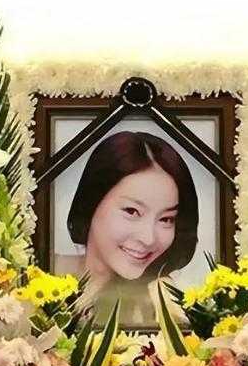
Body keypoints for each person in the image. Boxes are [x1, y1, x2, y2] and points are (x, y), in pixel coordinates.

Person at [57, 130, 199, 326]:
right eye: (132, 211)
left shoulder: (164, 305)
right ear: (91, 202)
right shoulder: (35, 277)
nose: (149, 239)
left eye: (166, 219)